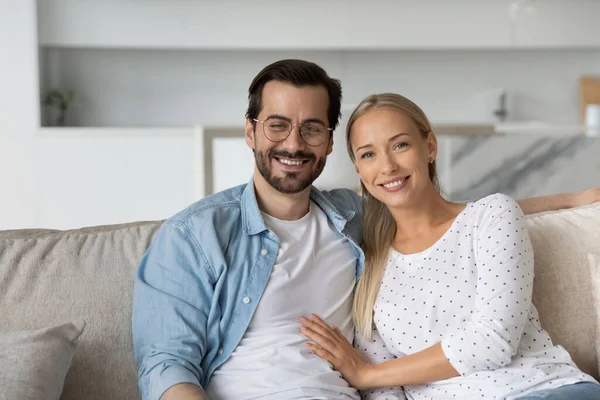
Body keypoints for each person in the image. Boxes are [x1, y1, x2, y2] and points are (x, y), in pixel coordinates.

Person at [132, 59, 600, 400]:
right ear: (251, 132)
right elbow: (165, 365)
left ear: (330, 144)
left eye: (311, 128)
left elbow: (451, 216)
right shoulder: (196, 236)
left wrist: (574, 201)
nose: (293, 143)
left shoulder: (353, 224)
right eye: (277, 125)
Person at [299, 93, 600, 400]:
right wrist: (372, 377)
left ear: (429, 147)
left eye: (400, 145)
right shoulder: (368, 263)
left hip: (542, 390)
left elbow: (493, 341)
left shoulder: (490, 217)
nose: (387, 166)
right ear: (358, 171)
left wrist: (365, 374)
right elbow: (384, 387)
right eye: (368, 155)